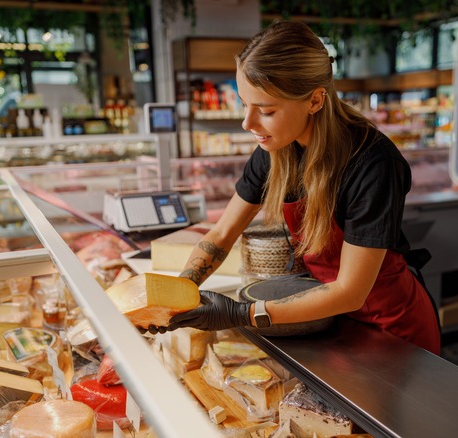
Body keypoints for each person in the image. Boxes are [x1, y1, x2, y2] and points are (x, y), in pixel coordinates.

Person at [155, 20, 440, 355]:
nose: (248, 123)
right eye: (244, 104)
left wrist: (238, 314)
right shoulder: (276, 149)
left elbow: (350, 291)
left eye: (266, 110)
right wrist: (179, 292)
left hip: (392, 327)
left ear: (315, 101)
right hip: (330, 315)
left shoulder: (373, 164)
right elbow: (221, 235)